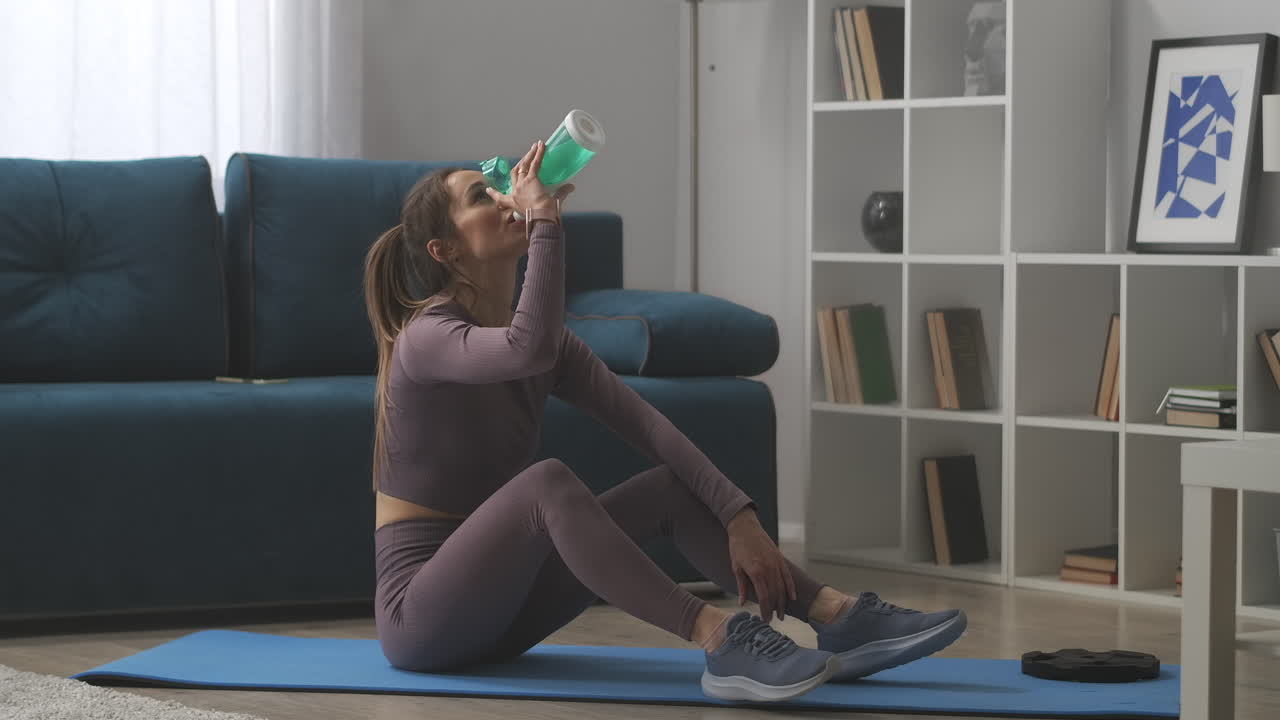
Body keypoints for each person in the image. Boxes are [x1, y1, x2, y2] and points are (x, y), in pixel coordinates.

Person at [362, 140, 967, 703]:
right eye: (480, 196)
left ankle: (836, 616)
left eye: (499, 187)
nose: (502, 198)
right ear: (445, 250)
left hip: (506, 611)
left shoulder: (553, 349)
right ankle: (719, 638)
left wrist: (739, 516)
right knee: (548, 483)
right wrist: (543, 219)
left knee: (669, 489)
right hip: (423, 622)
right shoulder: (427, 337)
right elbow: (526, 347)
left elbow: (650, 428)